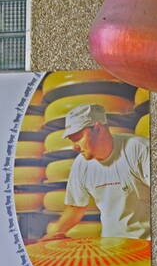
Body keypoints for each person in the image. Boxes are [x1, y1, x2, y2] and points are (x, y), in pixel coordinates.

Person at [41, 103, 150, 240]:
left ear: (98, 128)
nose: (74, 147)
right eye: (71, 140)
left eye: (78, 138)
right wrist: (52, 234)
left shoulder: (139, 150)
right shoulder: (81, 164)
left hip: (147, 247)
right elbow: (75, 208)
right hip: (112, 246)